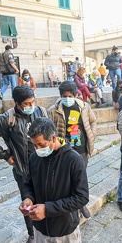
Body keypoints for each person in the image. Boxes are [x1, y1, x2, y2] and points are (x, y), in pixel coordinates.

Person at [0, 85, 50, 243]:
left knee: (48, 197)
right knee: (28, 201)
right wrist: (5, 155)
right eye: (26, 104)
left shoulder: (42, 112)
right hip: (24, 170)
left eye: (33, 102)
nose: (31, 106)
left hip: (45, 164)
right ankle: (32, 234)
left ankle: (48, 227)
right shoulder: (7, 118)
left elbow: (51, 134)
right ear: (17, 104)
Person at [18, 117, 89, 242]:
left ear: (53, 138)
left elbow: (82, 197)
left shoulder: (74, 160)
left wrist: (47, 209)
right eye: (34, 145)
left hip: (65, 231)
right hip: (40, 229)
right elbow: (27, 183)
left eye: (41, 144)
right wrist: (28, 198)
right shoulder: (34, 158)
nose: (38, 149)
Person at [49, 80, 96, 218]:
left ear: (76, 95)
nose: (67, 99)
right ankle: (70, 206)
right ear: (60, 96)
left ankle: (81, 204)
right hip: (64, 151)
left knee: (80, 178)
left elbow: (93, 121)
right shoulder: (53, 110)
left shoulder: (84, 107)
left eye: (70, 96)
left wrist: (92, 135)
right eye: (64, 96)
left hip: (82, 150)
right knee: (65, 179)